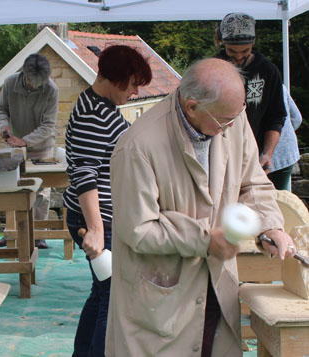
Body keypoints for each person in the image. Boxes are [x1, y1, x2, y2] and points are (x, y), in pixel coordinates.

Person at [105, 58, 296, 356]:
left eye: (237, 116)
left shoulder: (232, 119)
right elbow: (138, 230)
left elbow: (253, 183)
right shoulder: (137, 147)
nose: (230, 127)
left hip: (217, 287)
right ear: (192, 106)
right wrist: (205, 240)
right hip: (161, 297)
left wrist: (270, 225)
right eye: (224, 121)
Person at [63, 45, 152, 356]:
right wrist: (97, 229)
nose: (136, 91)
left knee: (102, 293)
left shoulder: (102, 105)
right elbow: (84, 175)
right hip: (97, 221)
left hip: (101, 218)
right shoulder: (93, 114)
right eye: (134, 84)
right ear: (117, 79)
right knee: (113, 298)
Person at [0, 53, 59, 249]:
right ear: (24, 73)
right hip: (14, 145)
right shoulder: (9, 82)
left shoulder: (51, 90)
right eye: (31, 82)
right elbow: (1, 108)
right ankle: (10, 233)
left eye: (38, 84)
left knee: (41, 193)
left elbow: (48, 125)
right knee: (11, 189)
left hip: (41, 148)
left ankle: (39, 235)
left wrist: (26, 141)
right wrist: (4, 127)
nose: (34, 87)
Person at [214, 12, 287, 174]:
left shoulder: (268, 71)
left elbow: (276, 116)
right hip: (219, 156)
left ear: (253, 42)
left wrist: (267, 154)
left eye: (245, 51)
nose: (238, 57)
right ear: (223, 43)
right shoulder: (213, 69)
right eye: (232, 51)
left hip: (255, 157)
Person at [268, 85, 302, 190]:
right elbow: (297, 118)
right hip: (287, 150)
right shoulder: (278, 84)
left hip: (263, 154)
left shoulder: (242, 84)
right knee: (282, 198)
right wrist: (285, 135)